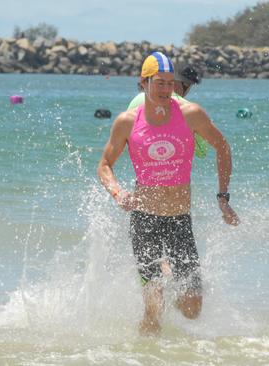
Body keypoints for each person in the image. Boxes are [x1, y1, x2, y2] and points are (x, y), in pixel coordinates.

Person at [97, 52, 239, 334]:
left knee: (192, 310)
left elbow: (222, 147)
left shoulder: (191, 115)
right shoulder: (127, 122)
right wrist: (118, 193)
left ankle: (167, 273)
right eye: (159, 83)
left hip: (179, 221)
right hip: (144, 221)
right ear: (144, 83)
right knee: (153, 309)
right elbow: (104, 166)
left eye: (170, 83)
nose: (166, 89)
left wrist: (223, 197)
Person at [127, 63, 207, 158]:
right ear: (184, 85)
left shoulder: (138, 99)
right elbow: (201, 152)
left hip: (142, 164)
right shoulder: (188, 108)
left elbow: (128, 140)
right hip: (172, 167)